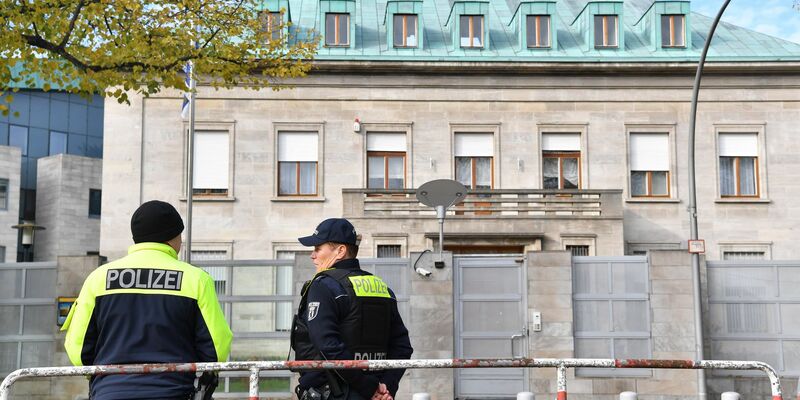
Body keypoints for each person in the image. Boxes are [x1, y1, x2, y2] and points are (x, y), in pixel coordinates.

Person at [62, 200, 233, 400]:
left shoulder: (98, 279)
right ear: (173, 237)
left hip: (110, 393)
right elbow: (216, 349)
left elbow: (78, 351)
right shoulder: (196, 280)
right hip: (175, 393)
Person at [291, 218, 413, 400]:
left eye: (318, 248)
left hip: (333, 392)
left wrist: (369, 388)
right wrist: (387, 386)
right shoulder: (381, 287)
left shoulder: (323, 285)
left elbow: (327, 344)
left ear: (340, 251)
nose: (313, 255)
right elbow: (402, 346)